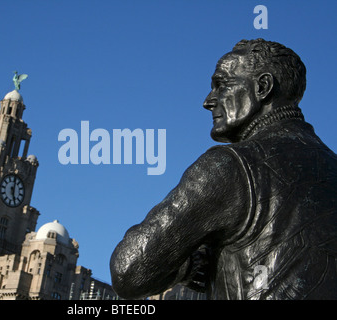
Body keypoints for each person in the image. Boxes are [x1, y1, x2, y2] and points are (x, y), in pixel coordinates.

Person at [110, 39, 337, 300]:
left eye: (221, 85)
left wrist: (190, 265)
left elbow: (129, 270)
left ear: (263, 87)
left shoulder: (230, 165)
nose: (208, 101)